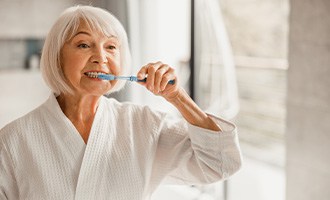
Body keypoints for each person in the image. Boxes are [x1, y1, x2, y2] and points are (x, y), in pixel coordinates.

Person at [0, 5, 242, 200]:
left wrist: (177, 97)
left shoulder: (145, 125)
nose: (100, 57)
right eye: (84, 45)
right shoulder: (12, 140)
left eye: (111, 47)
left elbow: (221, 164)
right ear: (57, 55)